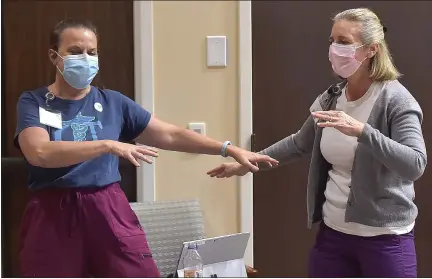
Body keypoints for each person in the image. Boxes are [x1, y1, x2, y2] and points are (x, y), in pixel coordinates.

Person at [14, 19, 278, 278]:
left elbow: (171, 135)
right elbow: (39, 152)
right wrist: (106, 145)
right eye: (74, 51)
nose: (85, 58)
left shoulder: (113, 102)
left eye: (91, 52)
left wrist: (227, 149)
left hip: (107, 207)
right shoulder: (34, 102)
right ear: (54, 56)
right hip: (53, 212)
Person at [208, 8, 427, 278]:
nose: (335, 48)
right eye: (332, 40)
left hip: (385, 239)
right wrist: (248, 162)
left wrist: (362, 131)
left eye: (344, 42)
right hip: (333, 237)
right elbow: (300, 143)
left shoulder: (397, 101)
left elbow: (415, 164)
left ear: (371, 50)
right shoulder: (332, 97)